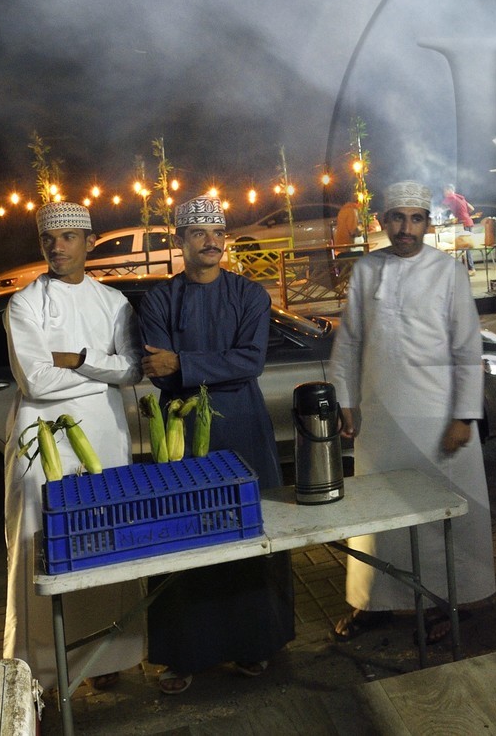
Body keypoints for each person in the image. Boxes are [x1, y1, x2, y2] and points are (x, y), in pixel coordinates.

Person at [137, 195, 294, 694]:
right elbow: (154, 371)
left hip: (243, 427)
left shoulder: (250, 295)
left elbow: (249, 362)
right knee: (185, 535)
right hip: (183, 435)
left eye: (217, 232)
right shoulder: (159, 300)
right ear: (180, 240)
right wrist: (197, 366)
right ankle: (183, 655)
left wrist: (184, 364)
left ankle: (254, 645)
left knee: (250, 534)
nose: (211, 241)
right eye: (198, 233)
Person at [329, 180, 495, 643]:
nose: (405, 228)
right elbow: (350, 344)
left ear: (427, 222)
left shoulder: (448, 272)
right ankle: (373, 603)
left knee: (442, 517)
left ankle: (450, 602)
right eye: (396, 218)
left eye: (415, 218)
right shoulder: (366, 270)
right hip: (379, 422)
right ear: (382, 222)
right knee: (379, 519)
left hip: (439, 420)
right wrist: (345, 400)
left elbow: (466, 348)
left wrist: (464, 416)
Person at [3, 201, 143, 695]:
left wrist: (79, 360)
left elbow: (132, 370)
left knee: (105, 537)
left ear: (88, 240)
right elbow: (37, 381)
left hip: (104, 434)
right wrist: (97, 371)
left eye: (68, 238)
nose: (57, 247)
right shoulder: (24, 304)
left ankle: (110, 658)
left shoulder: (114, 303)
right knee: (43, 545)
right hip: (44, 440)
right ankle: (38, 669)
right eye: (49, 239)